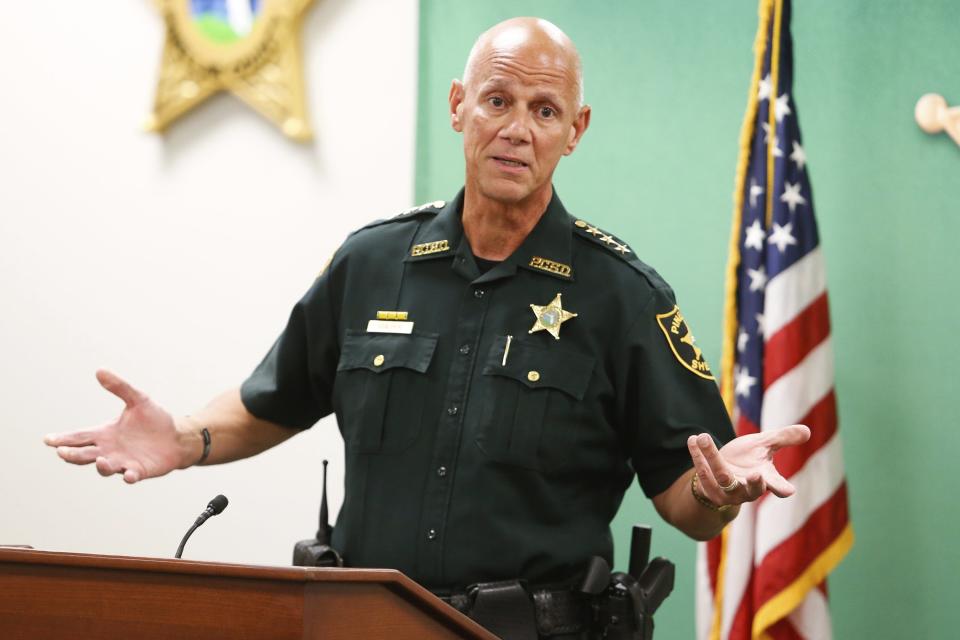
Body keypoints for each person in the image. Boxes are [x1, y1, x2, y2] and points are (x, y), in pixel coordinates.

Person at [45, 17, 809, 639]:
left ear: (574, 131)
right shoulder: (371, 263)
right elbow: (269, 402)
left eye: (544, 112)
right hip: (362, 627)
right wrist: (181, 439)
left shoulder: (621, 296)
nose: (517, 129)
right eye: (497, 100)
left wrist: (719, 496)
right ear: (458, 105)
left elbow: (686, 494)